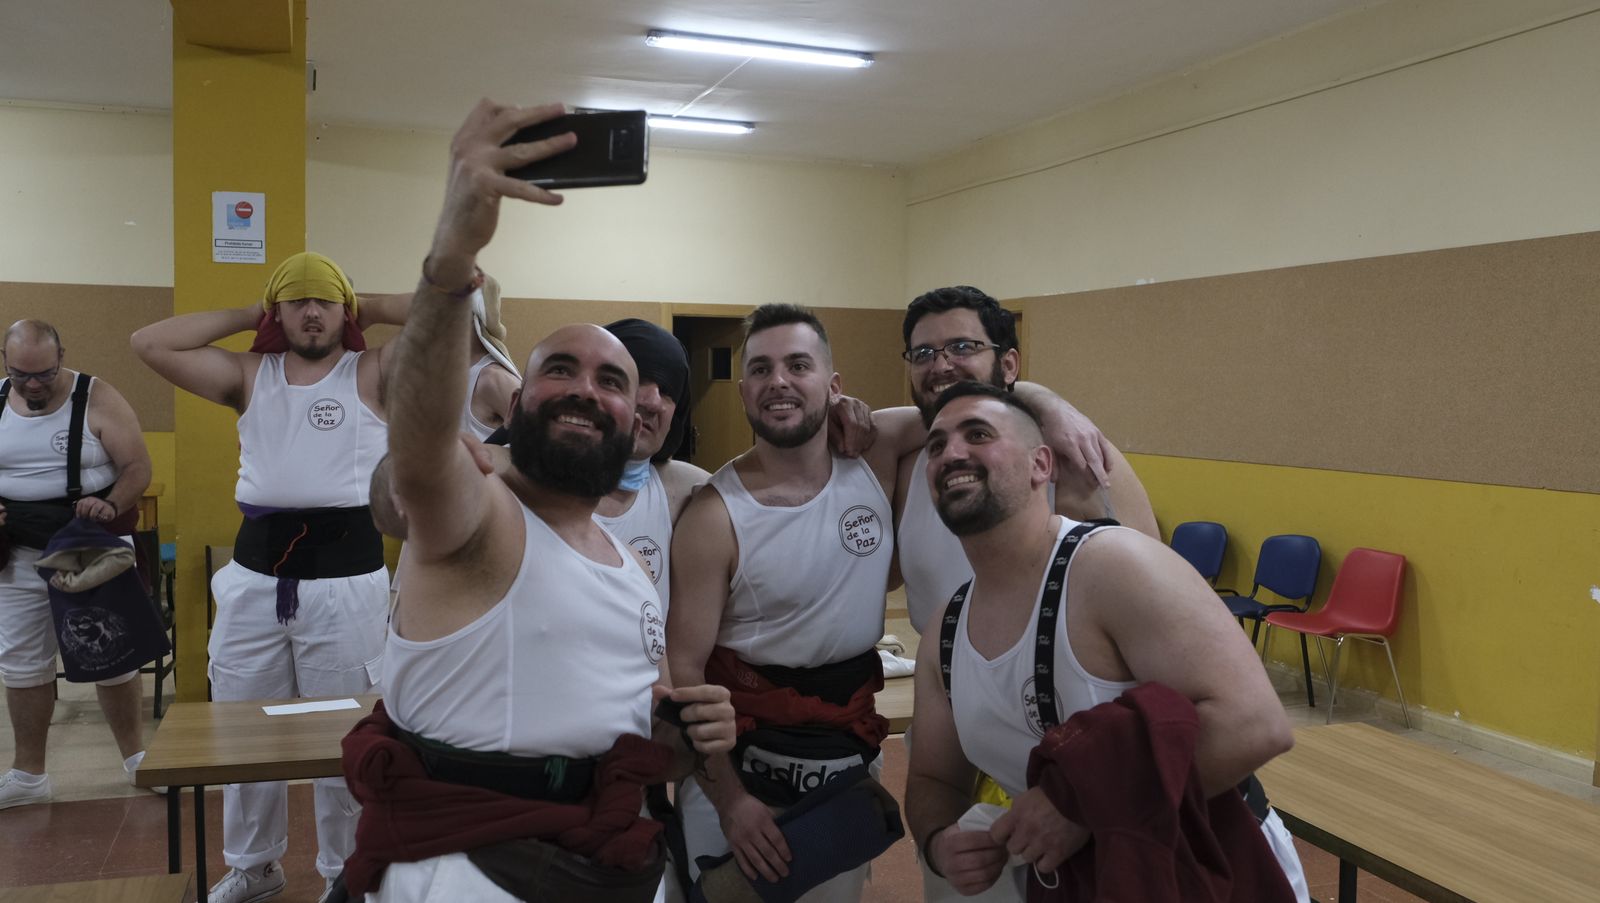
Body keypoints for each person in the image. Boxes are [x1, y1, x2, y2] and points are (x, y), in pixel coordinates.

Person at [343, 98, 735, 903]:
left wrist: (690, 736)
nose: (585, 390)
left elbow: (633, 734)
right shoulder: (481, 518)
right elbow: (416, 452)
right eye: (559, 368)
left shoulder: (624, 559)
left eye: (611, 380)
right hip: (476, 869)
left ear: (639, 421)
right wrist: (452, 258)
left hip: (609, 854)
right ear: (515, 399)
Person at [905, 383, 1308, 901]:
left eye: (977, 434)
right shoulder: (945, 628)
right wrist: (940, 842)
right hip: (1081, 881)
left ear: (1041, 465)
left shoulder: (1113, 565)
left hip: (1204, 868)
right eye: (935, 446)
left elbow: (1257, 726)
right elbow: (936, 779)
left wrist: (1085, 806)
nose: (951, 453)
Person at [131, 252, 408, 903]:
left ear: (346, 311)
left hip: (347, 581)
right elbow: (149, 341)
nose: (311, 312)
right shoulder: (250, 373)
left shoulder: (371, 371)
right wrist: (251, 311)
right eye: (296, 301)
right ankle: (256, 863)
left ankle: (346, 871)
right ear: (276, 312)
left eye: (325, 302)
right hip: (256, 578)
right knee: (241, 724)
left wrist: (358, 297)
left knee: (345, 731)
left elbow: (448, 314)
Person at [668, 303, 918, 903]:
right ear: (744, 391)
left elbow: (970, 403)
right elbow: (683, 671)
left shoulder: (873, 459)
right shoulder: (712, 514)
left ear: (833, 386)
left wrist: (1057, 411)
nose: (777, 381)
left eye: (798, 365)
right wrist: (731, 803)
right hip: (743, 769)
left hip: (848, 753)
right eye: (760, 369)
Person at [894, 284, 1158, 637]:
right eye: (924, 352)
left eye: (962, 347)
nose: (941, 365)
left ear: (1008, 364)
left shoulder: (1076, 458)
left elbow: (1150, 606)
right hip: (946, 680)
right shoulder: (904, 461)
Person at [0, 320, 152, 809]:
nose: (33, 384)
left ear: (61, 356)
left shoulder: (98, 396)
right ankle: (28, 774)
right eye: (21, 374)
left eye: (43, 373)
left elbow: (136, 467)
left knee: (110, 656)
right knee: (22, 663)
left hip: (88, 544)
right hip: (16, 550)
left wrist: (111, 504)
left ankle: (136, 759)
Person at [593, 318, 709, 604]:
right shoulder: (519, 476)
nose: (653, 402)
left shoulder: (681, 488)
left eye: (668, 391)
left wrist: (828, 417)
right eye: (638, 379)